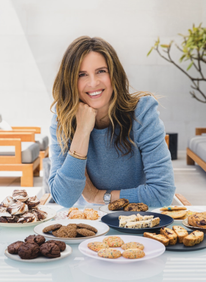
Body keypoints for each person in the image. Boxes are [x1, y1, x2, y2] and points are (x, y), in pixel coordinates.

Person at [48, 36, 175, 208]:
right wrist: (82, 132)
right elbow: (64, 198)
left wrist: (99, 196)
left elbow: (162, 194)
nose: (93, 82)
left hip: (134, 222)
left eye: (101, 71)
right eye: (82, 75)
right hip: (86, 224)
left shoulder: (142, 113)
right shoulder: (62, 118)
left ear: (114, 74)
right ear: (70, 81)